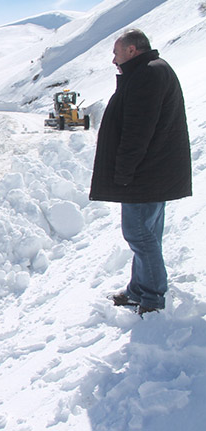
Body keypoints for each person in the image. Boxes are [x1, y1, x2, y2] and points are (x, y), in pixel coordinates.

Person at [89, 29, 192, 315]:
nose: (113, 59)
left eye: (116, 53)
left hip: (145, 174)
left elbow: (137, 132)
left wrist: (123, 173)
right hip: (153, 172)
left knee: (138, 235)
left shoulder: (148, 75)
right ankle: (139, 289)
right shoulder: (149, 71)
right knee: (147, 234)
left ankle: (152, 297)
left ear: (132, 50)